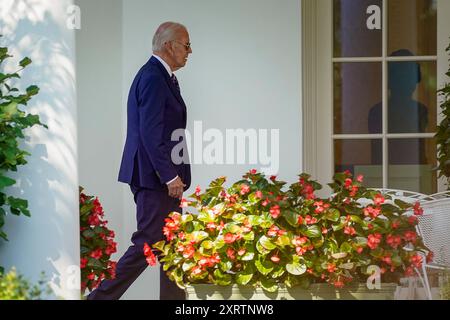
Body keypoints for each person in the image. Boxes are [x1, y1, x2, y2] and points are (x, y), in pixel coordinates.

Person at [87, 21, 192, 300]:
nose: (189, 51)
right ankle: (98, 298)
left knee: (172, 244)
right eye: (186, 44)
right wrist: (169, 176)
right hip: (154, 178)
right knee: (149, 242)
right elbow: (150, 131)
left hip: (159, 176)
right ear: (169, 45)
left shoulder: (163, 76)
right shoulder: (153, 77)